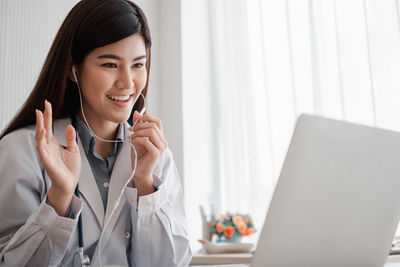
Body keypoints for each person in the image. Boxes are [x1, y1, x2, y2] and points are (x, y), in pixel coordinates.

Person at [0, 0, 191, 266]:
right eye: (110, 65)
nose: (127, 82)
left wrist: (147, 186)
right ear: (72, 69)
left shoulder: (156, 155)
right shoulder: (21, 151)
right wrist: (59, 199)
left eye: (138, 65)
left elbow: (172, 263)